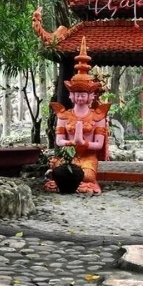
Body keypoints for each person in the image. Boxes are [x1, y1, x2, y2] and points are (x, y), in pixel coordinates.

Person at [45, 37, 110, 194]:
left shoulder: (98, 116)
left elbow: (99, 144)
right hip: (69, 156)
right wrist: (71, 142)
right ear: (71, 96)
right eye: (77, 94)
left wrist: (83, 144)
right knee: (58, 170)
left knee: (86, 175)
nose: (80, 97)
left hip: (88, 157)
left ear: (91, 96)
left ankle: (85, 182)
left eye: (83, 94)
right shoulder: (64, 115)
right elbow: (59, 141)